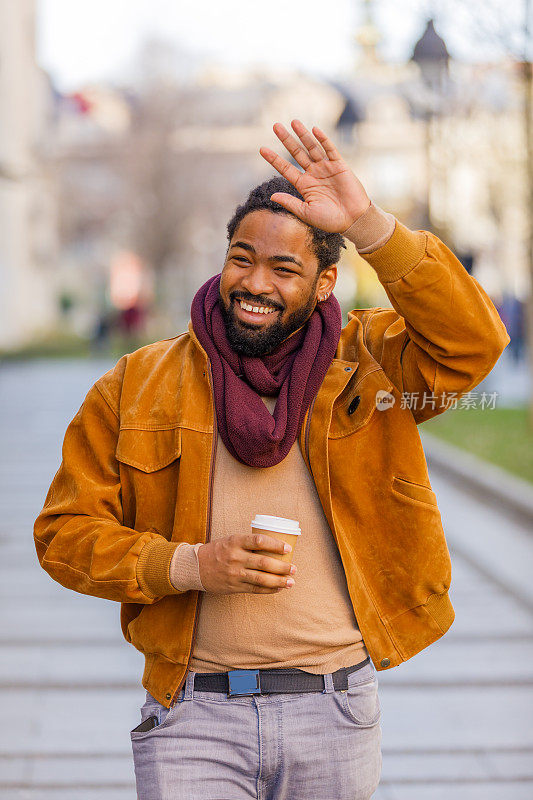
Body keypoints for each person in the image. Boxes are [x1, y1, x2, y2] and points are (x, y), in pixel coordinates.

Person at [33, 120, 510, 800]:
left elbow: (471, 342)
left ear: (324, 284)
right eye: (241, 257)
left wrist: (370, 224)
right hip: (192, 715)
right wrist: (192, 564)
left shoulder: (371, 366)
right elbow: (63, 535)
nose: (254, 282)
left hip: (334, 710)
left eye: (284, 268)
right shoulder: (136, 383)